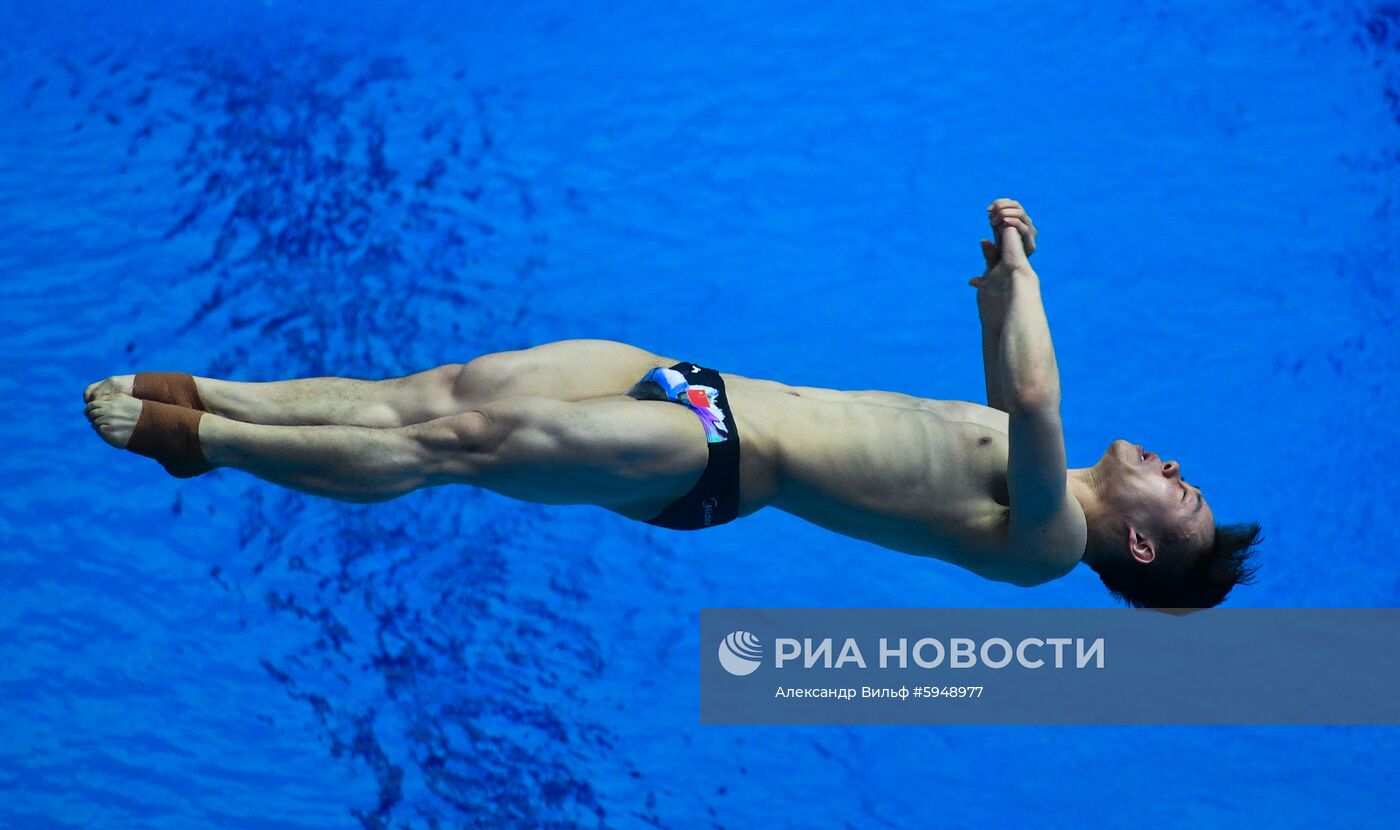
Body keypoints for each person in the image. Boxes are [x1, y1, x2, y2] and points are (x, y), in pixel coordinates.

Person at [84, 199, 1260, 609]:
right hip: (694, 380)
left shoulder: (1052, 543)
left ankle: (211, 442)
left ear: (1142, 536)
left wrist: (1030, 282)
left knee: (452, 445)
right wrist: (1003, 272)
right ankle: (220, 395)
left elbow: (1040, 393)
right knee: (424, 393)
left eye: (1183, 493)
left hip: (712, 460)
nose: (1173, 465)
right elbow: (1015, 385)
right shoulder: (1029, 468)